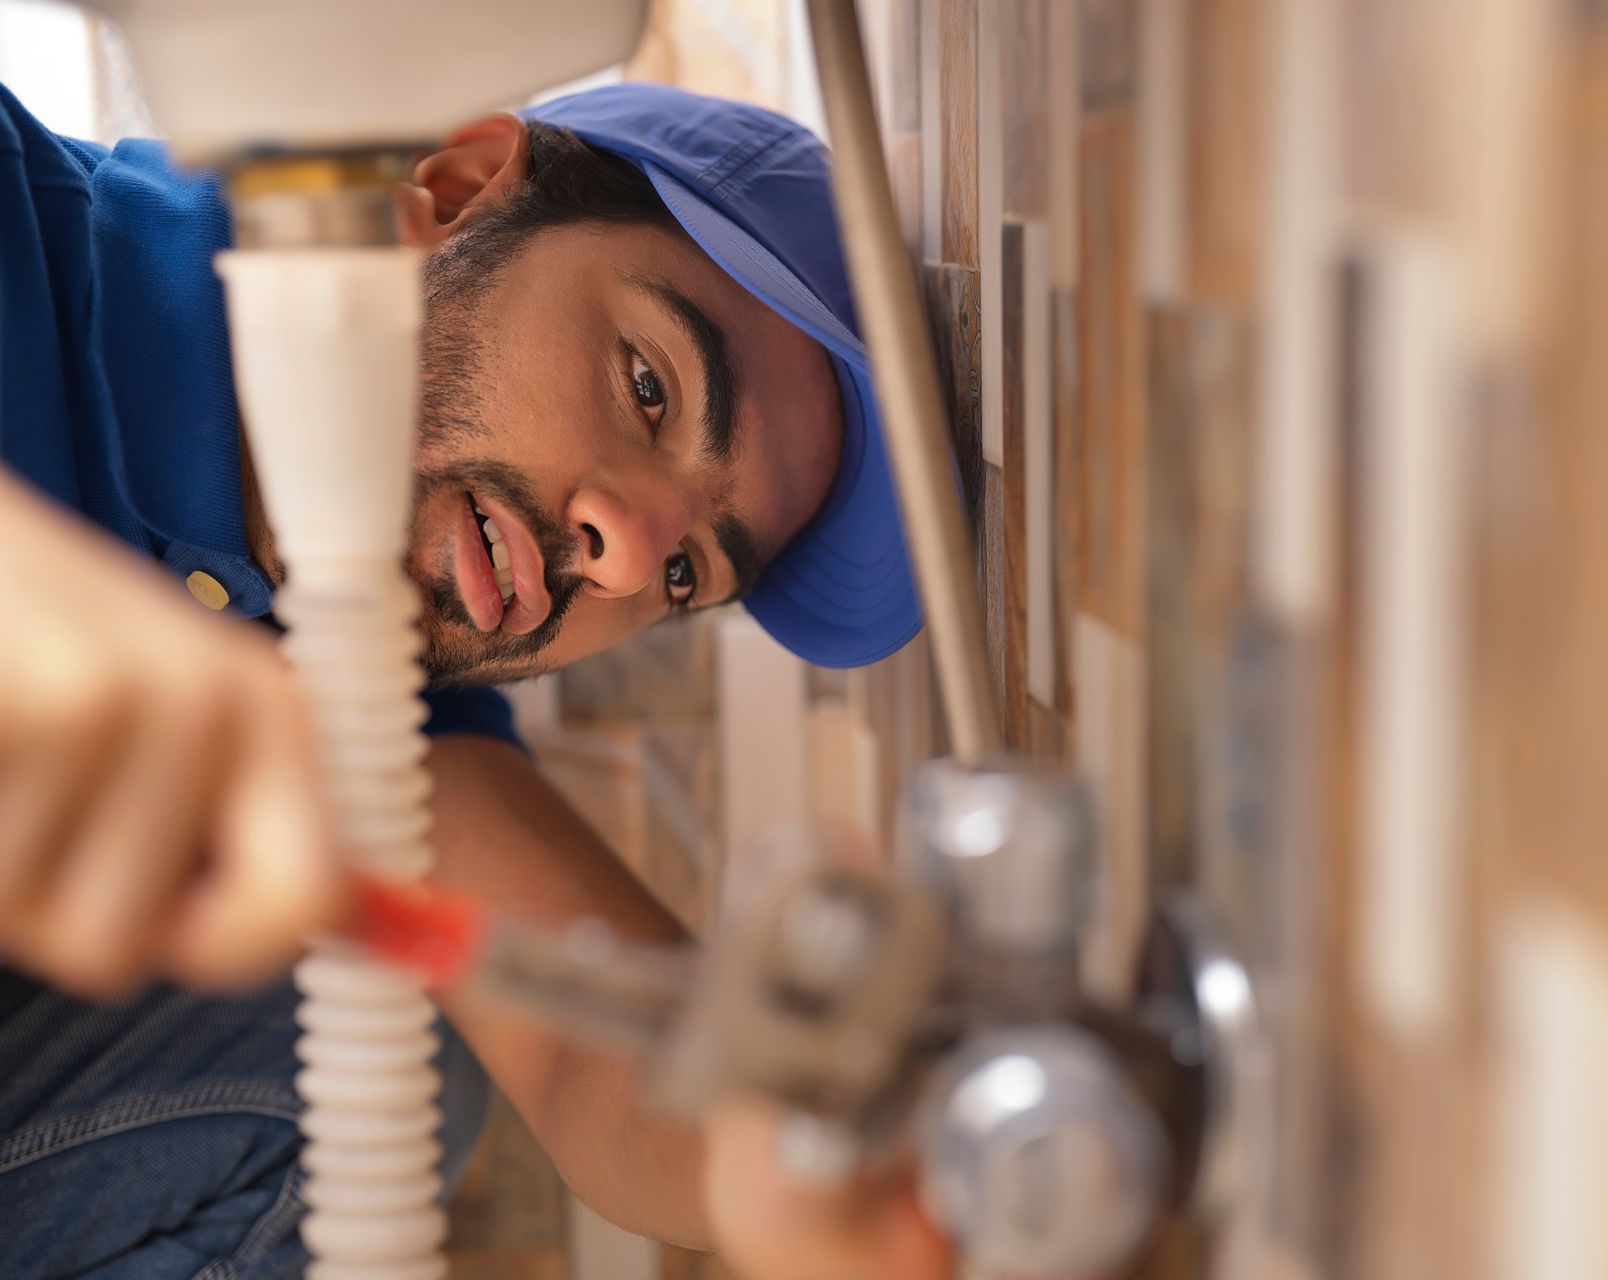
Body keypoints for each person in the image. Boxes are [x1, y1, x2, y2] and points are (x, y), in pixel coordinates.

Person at [0, 77, 948, 1280]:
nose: (633, 554)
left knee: (362, 1056)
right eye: (648, 386)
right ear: (452, 192)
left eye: (690, 576)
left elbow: (590, 1059)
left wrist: (802, 1157)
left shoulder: (359, 673)